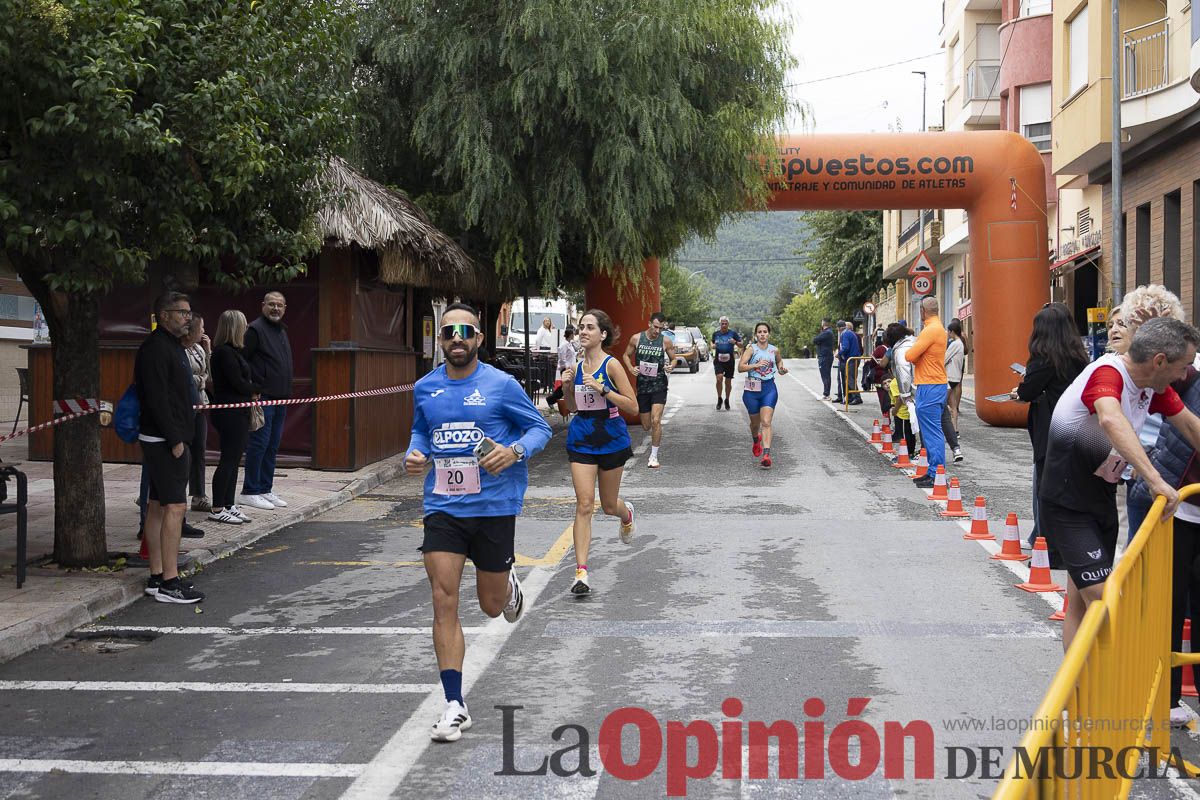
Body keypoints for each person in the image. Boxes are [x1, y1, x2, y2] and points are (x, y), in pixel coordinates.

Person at [404, 302, 552, 742]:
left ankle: (508, 586)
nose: (456, 339)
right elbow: (420, 432)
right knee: (442, 596)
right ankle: (454, 704)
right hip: (443, 508)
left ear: (479, 339)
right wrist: (415, 454)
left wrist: (515, 452)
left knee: (490, 606)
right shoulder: (425, 388)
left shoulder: (502, 385)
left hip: (493, 507)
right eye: (448, 331)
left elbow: (539, 428)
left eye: (464, 331)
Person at [1040, 317, 1200, 651]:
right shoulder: (1108, 373)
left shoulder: (1150, 387)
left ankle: (1079, 694)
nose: (1184, 375)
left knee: (1081, 603)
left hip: (1100, 499)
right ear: (1159, 361)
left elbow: (1188, 425)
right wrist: (1156, 481)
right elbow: (1110, 418)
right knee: (1107, 599)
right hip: (1067, 502)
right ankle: (1112, 688)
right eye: (1182, 366)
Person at [1128, 348, 1200, 726]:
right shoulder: (1189, 371)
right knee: (1168, 604)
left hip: (1185, 501)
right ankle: (1164, 695)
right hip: (1179, 506)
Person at [134, 292, 205, 603]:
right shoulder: (155, 349)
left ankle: (157, 574)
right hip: (164, 440)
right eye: (181, 312)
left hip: (164, 437)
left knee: (156, 505)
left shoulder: (171, 346)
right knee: (175, 507)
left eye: (189, 312)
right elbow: (158, 399)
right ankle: (169, 582)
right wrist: (175, 439)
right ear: (164, 315)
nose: (187, 317)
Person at [563, 309, 638, 595]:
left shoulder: (612, 365)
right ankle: (581, 573)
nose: (583, 332)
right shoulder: (576, 364)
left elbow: (631, 405)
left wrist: (603, 389)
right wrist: (568, 387)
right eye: (581, 327)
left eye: (589, 327)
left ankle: (626, 514)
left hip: (610, 437)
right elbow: (572, 407)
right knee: (584, 504)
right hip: (582, 437)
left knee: (607, 505)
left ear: (602, 334)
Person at [1010, 304, 1089, 554]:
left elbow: (1028, 390)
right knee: (1070, 488)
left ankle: (1049, 546)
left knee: (1046, 488)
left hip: (1051, 431)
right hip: (1078, 429)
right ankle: (1043, 536)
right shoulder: (1079, 357)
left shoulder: (1043, 358)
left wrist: (1020, 392)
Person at [1112, 285, 1186, 540]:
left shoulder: (1182, 367)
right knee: (1132, 544)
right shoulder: (1119, 367)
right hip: (1138, 470)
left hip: (1162, 473)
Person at [240, 291, 293, 512]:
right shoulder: (254, 330)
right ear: (263, 305)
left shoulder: (282, 330)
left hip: (281, 398)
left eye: (279, 305)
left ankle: (265, 488)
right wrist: (254, 388)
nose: (275, 309)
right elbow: (243, 362)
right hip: (264, 397)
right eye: (271, 304)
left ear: (285, 308)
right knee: (259, 444)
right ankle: (250, 491)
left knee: (272, 445)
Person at [208, 310, 261, 526]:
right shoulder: (223, 353)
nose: (247, 328)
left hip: (239, 412)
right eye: (244, 325)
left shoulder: (235, 351)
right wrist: (257, 388)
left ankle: (229, 504)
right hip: (229, 413)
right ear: (235, 328)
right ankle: (217, 507)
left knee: (235, 459)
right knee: (228, 460)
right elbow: (237, 383)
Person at [904, 297, 947, 488]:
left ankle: (936, 473)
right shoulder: (937, 328)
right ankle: (932, 471)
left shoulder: (930, 330)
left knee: (932, 431)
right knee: (930, 430)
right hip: (932, 384)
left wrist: (916, 356)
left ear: (923, 311)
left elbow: (910, 355)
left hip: (930, 384)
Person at [623, 312, 675, 468]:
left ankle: (653, 456)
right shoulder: (636, 338)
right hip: (643, 386)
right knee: (646, 425)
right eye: (656, 327)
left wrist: (671, 366)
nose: (657, 331)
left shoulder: (665, 341)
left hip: (659, 385)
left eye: (661, 328)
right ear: (649, 324)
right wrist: (631, 368)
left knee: (656, 420)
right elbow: (626, 355)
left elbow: (674, 358)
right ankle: (653, 438)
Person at [739, 322, 789, 469]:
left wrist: (781, 369)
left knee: (766, 421)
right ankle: (756, 440)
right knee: (755, 425)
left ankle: (766, 454)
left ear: (769, 334)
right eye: (759, 332)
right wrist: (755, 365)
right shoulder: (751, 349)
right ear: (756, 335)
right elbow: (740, 367)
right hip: (752, 389)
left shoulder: (774, 350)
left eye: (765, 332)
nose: (762, 334)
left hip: (769, 388)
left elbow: (779, 362)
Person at [183, 315, 212, 515]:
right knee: (182, 452)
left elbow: (208, 375)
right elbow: (185, 377)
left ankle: (199, 495)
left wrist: (209, 351)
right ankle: (154, 492)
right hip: (185, 406)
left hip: (201, 404)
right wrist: (200, 379)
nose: (204, 330)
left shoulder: (199, 349)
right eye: (201, 327)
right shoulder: (180, 349)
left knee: (199, 449)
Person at [884, 323, 917, 457]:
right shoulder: (912, 341)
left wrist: (906, 396)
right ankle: (921, 452)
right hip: (927, 385)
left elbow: (904, 376)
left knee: (909, 429)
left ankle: (910, 453)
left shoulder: (900, 350)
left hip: (914, 393)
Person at [945, 318, 966, 461]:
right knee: (953, 407)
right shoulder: (961, 343)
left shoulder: (955, 344)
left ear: (952, 332)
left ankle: (948, 432)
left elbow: (943, 359)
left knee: (941, 405)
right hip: (956, 378)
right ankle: (955, 429)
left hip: (949, 377)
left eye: (949, 331)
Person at [544, 326, 577, 414]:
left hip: (571, 368)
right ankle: (552, 400)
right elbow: (562, 358)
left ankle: (552, 400)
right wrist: (566, 368)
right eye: (573, 333)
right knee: (566, 387)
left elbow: (571, 355)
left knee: (566, 387)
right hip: (566, 368)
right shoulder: (564, 345)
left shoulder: (570, 344)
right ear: (570, 334)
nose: (574, 335)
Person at [713, 316, 744, 410]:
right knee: (719, 378)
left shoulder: (732, 333)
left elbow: (741, 344)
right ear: (720, 324)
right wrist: (713, 345)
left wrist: (734, 342)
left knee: (728, 381)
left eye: (726, 323)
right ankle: (719, 398)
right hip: (718, 359)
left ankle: (727, 399)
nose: (724, 325)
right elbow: (712, 343)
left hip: (730, 360)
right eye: (722, 323)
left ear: (728, 324)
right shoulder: (716, 334)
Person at [834, 321, 862, 405]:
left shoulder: (845, 334)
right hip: (853, 358)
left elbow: (845, 347)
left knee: (850, 379)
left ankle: (857, 397)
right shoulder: (850, 333)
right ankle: (850, 397)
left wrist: (838, 354)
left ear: (838, 328)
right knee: (849, 378)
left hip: (851, 359)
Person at [811, 318, 835, 401]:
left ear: (823, 324)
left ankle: (826, 394)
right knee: (826, 375)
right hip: (826, 356)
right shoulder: (828, 332)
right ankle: (826, 393)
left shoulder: (826, 333)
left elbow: (815, 340)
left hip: (825, 356)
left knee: (825, 375)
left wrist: (818, 341)